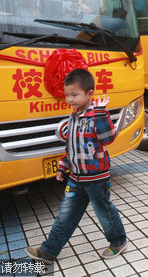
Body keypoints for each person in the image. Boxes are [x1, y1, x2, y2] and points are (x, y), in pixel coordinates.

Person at [25, 69, 127, 264]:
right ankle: (49, 251)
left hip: (97, 178)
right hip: (76, 177)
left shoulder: (97, 113)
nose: (70, 99)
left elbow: (109, 138)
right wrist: (63, 165)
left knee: (104, 210)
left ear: (89, 94)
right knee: (66, 212)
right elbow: (71, 145)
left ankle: (118, 241)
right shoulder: (74, 115)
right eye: (67, 95)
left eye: (74, 95)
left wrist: (99, 114)